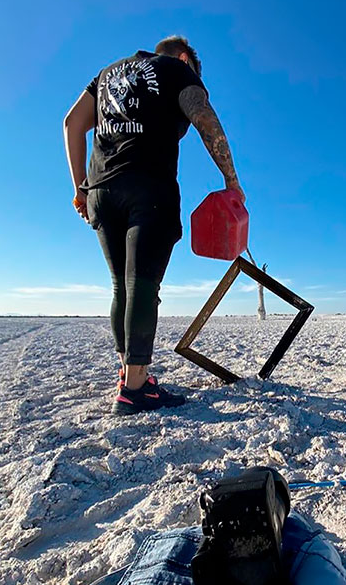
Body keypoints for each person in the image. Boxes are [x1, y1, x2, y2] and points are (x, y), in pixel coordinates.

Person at [63, 35, 245, 415]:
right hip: (149, 188)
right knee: (142, 285)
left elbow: (72, 123)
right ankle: (135, 390)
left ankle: (131, 375)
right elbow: (204, 117)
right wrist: (231, 179)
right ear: (183, 58)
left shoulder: (108, 72)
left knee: (121, 287)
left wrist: (80, 188)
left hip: (101, 189)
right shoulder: (178, 69)